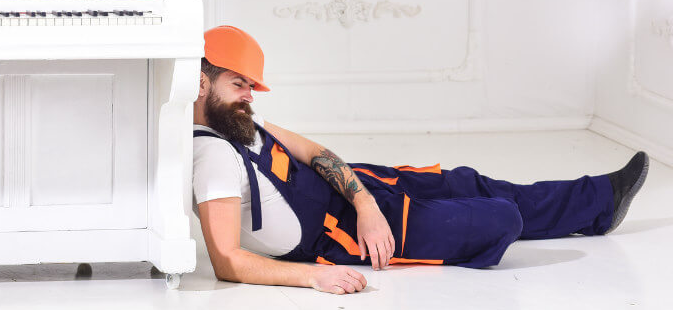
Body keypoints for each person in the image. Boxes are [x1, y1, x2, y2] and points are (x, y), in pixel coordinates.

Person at [192, 25, 650, 295]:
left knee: (468, 182)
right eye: (239, 84)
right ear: (200, 82)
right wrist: (313, 278)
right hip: (346, 239)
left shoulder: (240, 120)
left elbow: (315, 153)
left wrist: (366, 204)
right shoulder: (212, 155)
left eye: (252, 86)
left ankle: (600, 201)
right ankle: (586, 209)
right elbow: (228, 261)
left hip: (364, 195)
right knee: (500, 218)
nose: (249, 96)